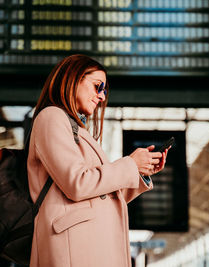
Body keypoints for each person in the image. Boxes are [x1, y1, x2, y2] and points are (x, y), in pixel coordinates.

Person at [27, 54, 169, 267]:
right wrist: (130, 164)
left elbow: (99, 196)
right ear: (73, 79)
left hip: (84, 245)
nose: (102, 96)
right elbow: (77, 183)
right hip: (73, 249)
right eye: (97, 86)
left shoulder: (75, 129)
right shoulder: (51, 117)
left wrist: (139, 172)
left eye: (104, 90)